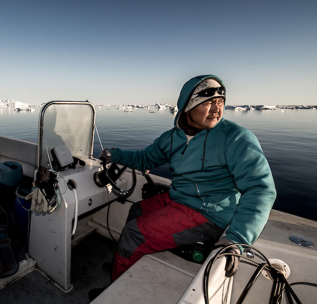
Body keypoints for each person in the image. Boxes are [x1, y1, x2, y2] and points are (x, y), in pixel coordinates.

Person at [98, 74, 276, 289]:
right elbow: (145, 159)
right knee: (137, 210)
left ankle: (116, 286)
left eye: (220, 102)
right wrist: (114, 155)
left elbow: (260, 188)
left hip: (210, 214)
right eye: (208, 103)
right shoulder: (173, 137)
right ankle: (125, 260)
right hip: (179, 201)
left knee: (134, 233)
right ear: (187, 106)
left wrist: (236, 238)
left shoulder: (236, 137)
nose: (216, 109)